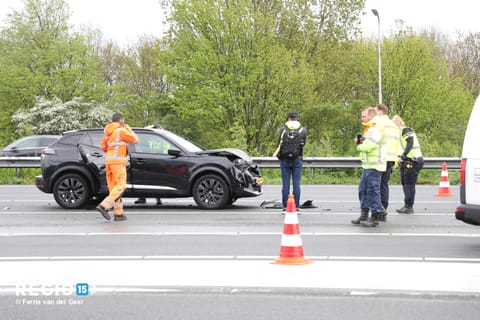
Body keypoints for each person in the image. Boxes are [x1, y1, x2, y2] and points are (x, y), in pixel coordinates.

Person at [96, 113, 139, 221]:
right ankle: (104, 206)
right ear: (120, 121)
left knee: (114, 189)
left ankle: (118, 213)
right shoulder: (121, 131)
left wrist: (113, 150)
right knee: (121, 186)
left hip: (109, 162)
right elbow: (135, 140)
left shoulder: (107, 132)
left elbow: (103, 147)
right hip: (118, 163)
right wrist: (129, 129)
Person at [351, 107, 386, 227]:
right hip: (369, 164)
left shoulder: (375, 128)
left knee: (372, 190)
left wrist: (359, 147)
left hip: (374, 164)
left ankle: (375, 216)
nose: (362, 119)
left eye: (364, 116)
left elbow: (369, 145)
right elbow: (367, 142)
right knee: (363, 190)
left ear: (370, 116)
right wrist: (361, 142)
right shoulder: (370, 128)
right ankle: (364, 214)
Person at [273, 111, 307, 211]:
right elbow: (303, 144)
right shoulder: (302, 130)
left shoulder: (283, 129)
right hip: (297, 159)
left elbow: (279, 143)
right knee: (297, 184)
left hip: (284, 159)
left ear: (288, 118)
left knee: (285, 184)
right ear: (297, 118)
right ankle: (296, 206)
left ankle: (285, 206)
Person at [392, 115, 424, 214]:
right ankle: (407, 205)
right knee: (405, 183)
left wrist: (403, 156)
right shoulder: (398, 134)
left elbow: (410, 143)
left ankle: (409, 206)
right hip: (408, 161)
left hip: (413, 161)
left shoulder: (405, 130)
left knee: (409, 184)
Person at [375, 104, 401, 221]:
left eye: (376, 111)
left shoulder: (379, 123)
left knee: (375, 185)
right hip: (391, 159)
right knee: (384, 185)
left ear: (380, 111)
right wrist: (395, 161)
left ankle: (379, 210)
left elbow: (373, 140)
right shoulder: (394, 126)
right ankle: (384, 208)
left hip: (380, 158)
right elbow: (397, 145)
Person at [135, 123, 163, 206]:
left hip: (157, 158)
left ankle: (158, 198)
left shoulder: (158, 136)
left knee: (155, 178)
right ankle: (142, 198)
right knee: (144, 178)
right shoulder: (150, 135)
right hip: (147, 157)